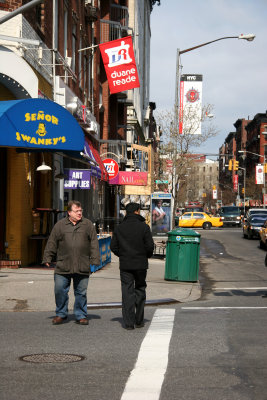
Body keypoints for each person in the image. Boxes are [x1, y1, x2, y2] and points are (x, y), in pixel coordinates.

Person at [42, 200, 100, 325]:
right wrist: (47, 257)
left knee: (81, 292)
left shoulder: (87, 224)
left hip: (82, 264)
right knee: (59, 290)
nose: (79, 213)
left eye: (80, 211)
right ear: (69, 212)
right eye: (76, 211)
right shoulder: (60, 225)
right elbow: (52, 242)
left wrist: (95, 260)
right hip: (63, 264)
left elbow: (94, 243)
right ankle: (61, 314)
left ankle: (80, 315)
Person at [110, 202, 154, 330]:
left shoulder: (119, 228)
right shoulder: (144, 227)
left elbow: (113, 247)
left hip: (125, 264)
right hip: (140, 264)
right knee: (140, 290)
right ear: (137, 211)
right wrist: (145, 255)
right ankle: (139, 320)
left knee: (127, 292)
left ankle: (129, 323)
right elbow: (150, 246)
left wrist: (123, 255)